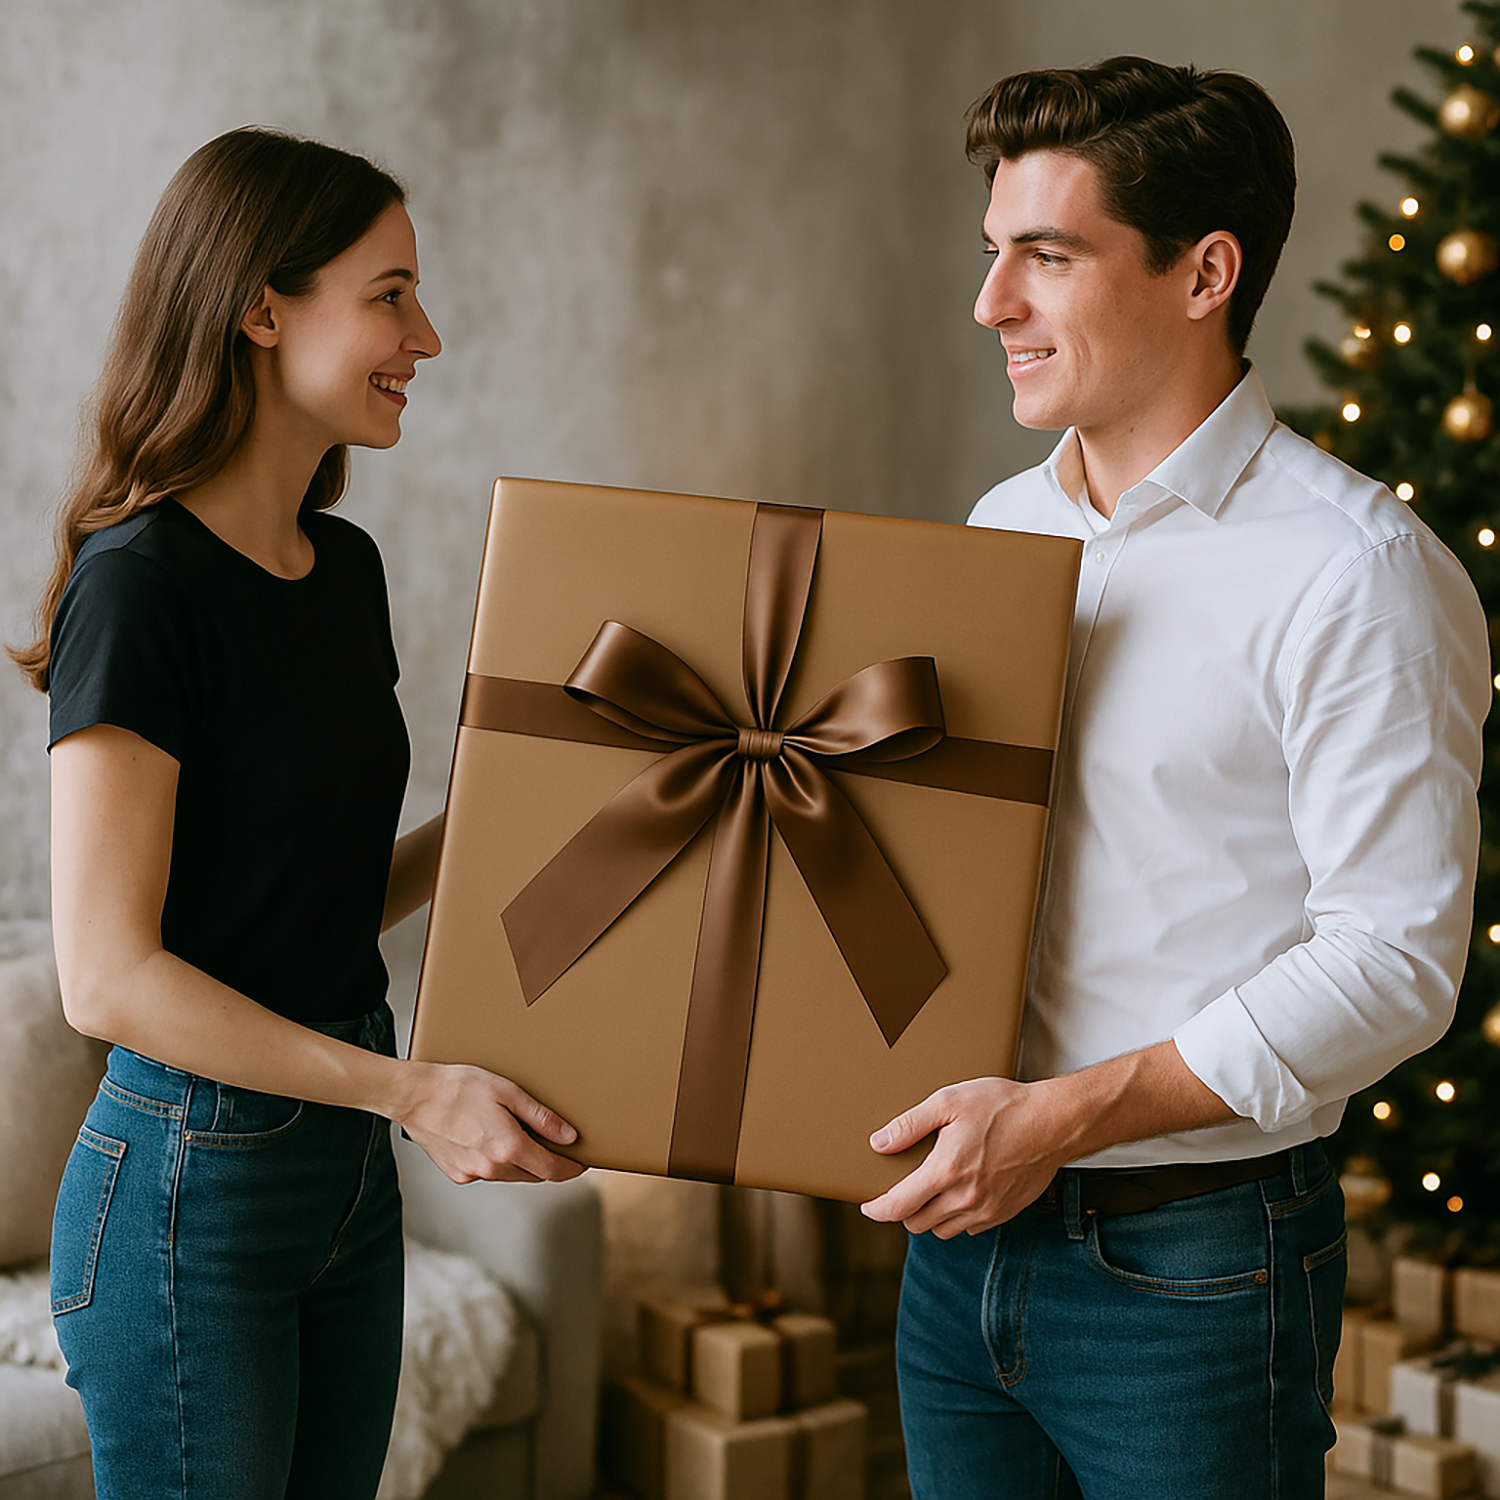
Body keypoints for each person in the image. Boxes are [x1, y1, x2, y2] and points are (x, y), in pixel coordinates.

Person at [860, 56, 1489, 1498]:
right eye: (990, 254)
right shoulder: (1000, 526)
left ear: (1206, 273)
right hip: (959, 1247)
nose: (991, 305)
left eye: (1047, 256)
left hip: (1196, 1268)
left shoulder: (1358, 575)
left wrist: (1062, 1118)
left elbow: (1396, 961)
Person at [10, 128, 584, 1500]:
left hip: (342, 1181)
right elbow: (107, 977)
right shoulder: (139, 588)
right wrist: (412, 1092)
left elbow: (298, 898)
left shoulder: (343, 571)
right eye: (390, 293)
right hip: (183, 1192)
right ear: (263, 306)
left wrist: (511, 819)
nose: (426, 336)